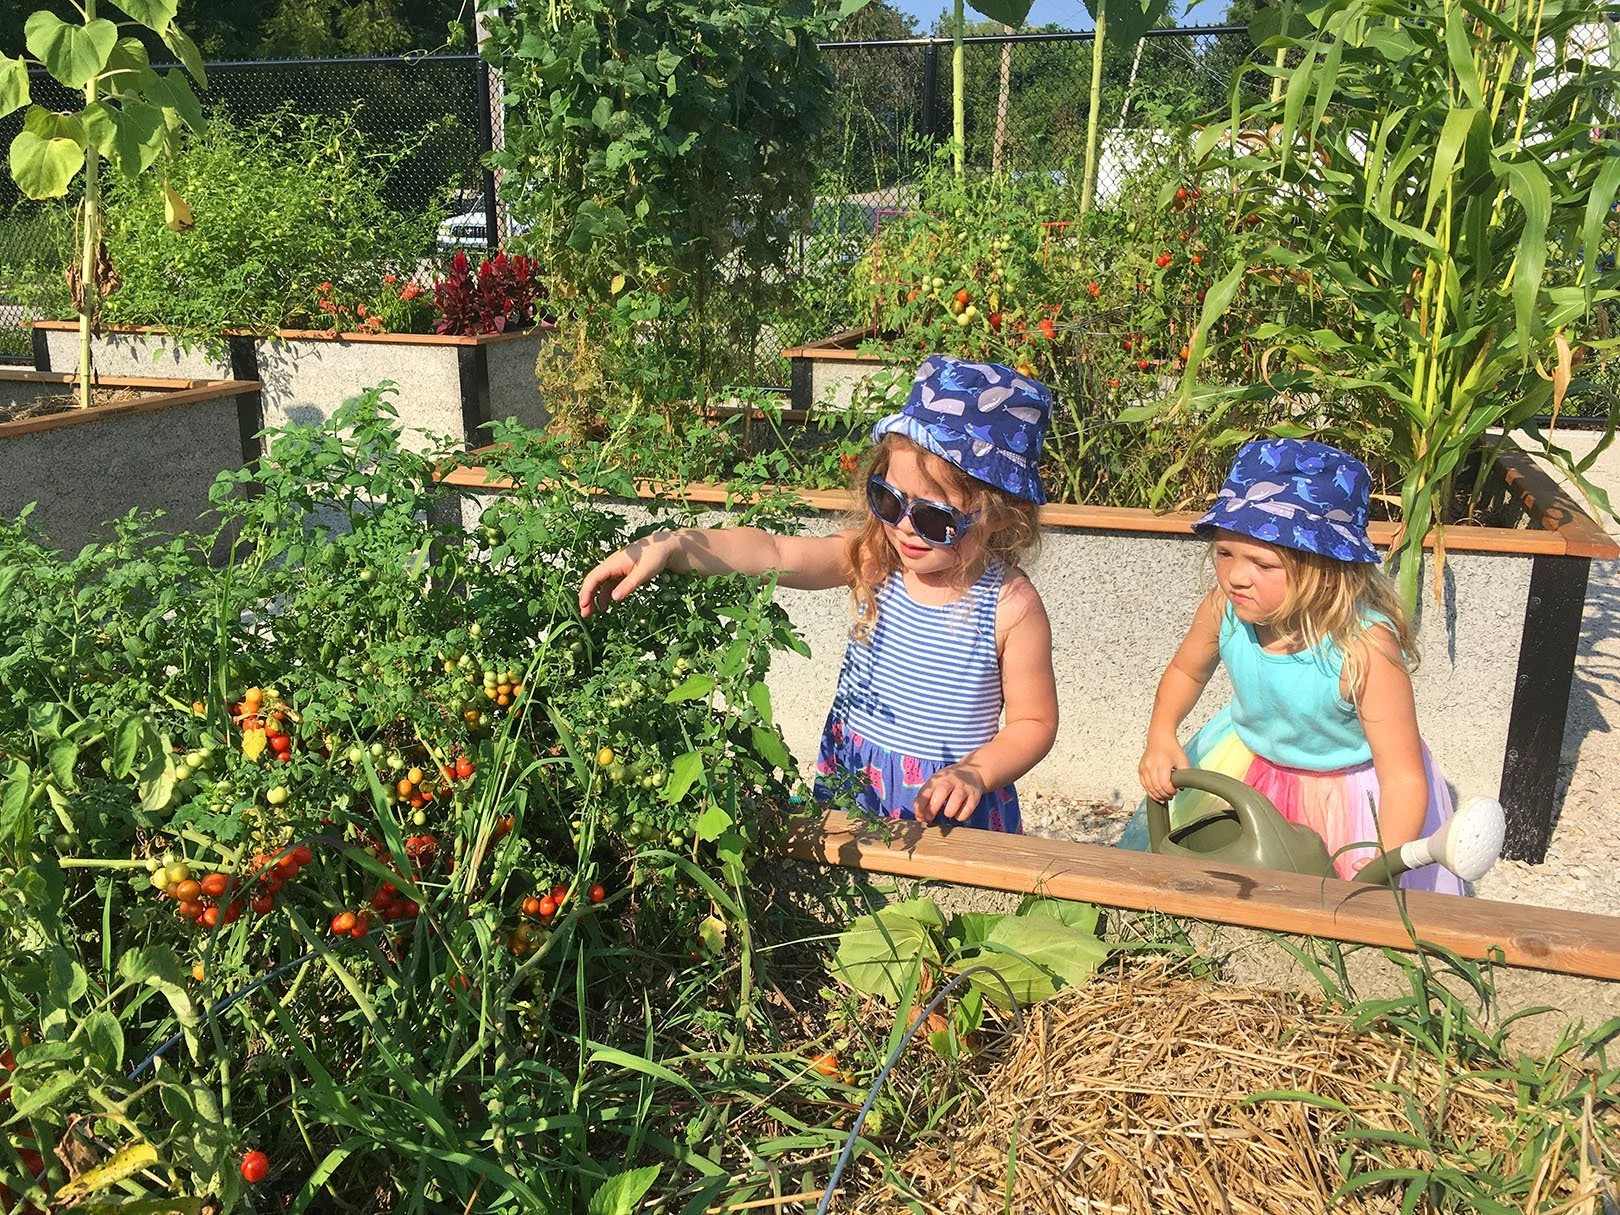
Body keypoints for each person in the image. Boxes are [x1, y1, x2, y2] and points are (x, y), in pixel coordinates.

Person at [577, 356, 1059, 831]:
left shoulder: (1010, 606)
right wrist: (674, 544)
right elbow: (772, 552)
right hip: (854, 781)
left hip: (947, 807)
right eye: (888, 500)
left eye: (935, 518)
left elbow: (1034, 722)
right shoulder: (877, 558)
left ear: (999, 514)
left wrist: (977, 771)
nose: (905, 529)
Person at [1121, 437, 1466, 894]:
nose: (1236, 576)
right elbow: (1187, 671)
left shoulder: (1364, 649)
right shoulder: (1223, 609)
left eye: (1264, 564)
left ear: (1327, 567)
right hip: (1250, 761)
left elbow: (1402, 774)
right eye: (1225, 553)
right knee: (1224, 881)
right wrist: (1161, 734)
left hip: (1346, 792)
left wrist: (1387, 855)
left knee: (1333, 898)